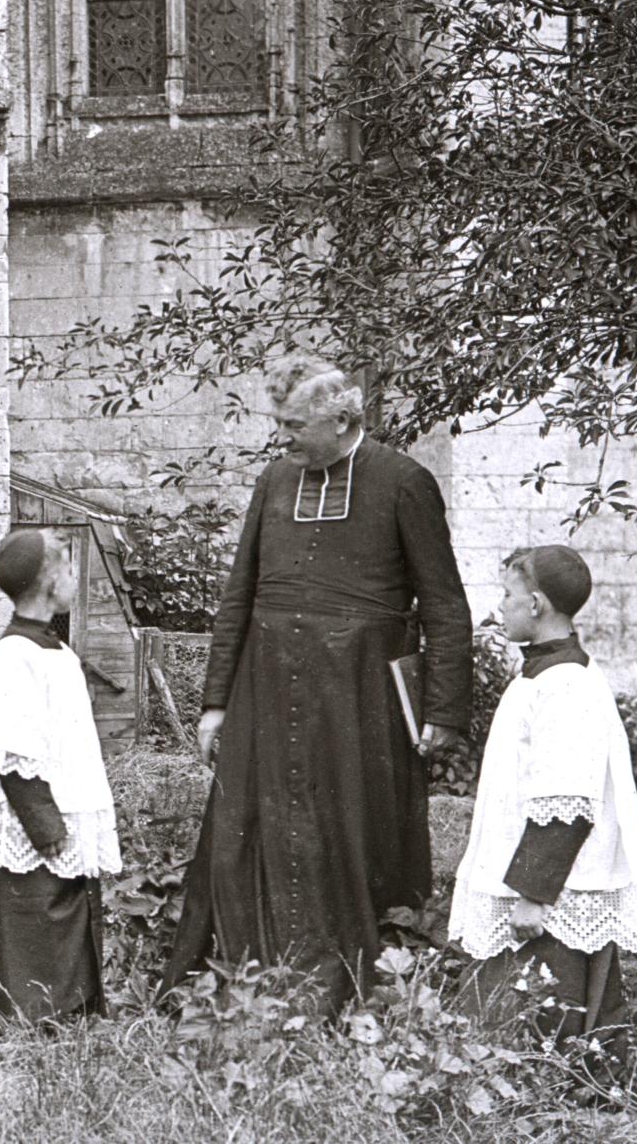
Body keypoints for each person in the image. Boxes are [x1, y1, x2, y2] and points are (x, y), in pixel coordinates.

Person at [163, 354, 474, 1009]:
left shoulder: (404, 481)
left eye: (294, 425)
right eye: (280, 425)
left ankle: (349, 982)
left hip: (357, 696)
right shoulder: (275, 479)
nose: (283, 439)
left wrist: (442, 711)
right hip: (265, 688)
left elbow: (445, 605)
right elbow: (238, 596)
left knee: (349, 835)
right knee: (248, 833)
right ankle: (248, 975)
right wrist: (215, 702)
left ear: (341, 419)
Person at [448, 545, 637, 1066]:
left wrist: (533, 897)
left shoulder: (566, 686)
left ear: (536, 604)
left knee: (551, 1017)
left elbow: (565, 802)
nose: (501, 608)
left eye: (508, 595)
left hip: (552, 893)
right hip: (536, 882)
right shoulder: (540, 678)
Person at [0, 527, 121, 1029]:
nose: (73, 580)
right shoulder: (11, 658)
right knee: (31, 918)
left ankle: (67, 1012)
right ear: (47, 583)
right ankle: (22, 1018)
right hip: (29, 824)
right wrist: (46, 829)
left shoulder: (57, 653)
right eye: (67, 570)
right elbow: (11, 752)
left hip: (64, 809)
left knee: (64, 915)